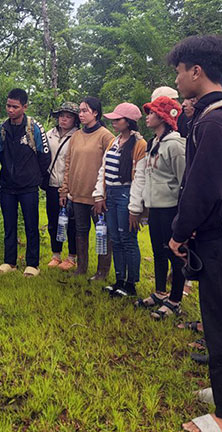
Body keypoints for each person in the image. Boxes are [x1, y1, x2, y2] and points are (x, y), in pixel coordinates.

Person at [168, 35, 222, 432]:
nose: (178, 78)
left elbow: (204, 186)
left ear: (196, 71)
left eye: (180, 71)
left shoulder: (216, 121)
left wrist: (179, 232)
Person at [129, 96, 186, 317]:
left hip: (171, 208)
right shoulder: (154, 143)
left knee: (174, 253)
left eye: (152, 112)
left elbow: (184, 181)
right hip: (155, 208)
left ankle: (175, 299)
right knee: (158, 251)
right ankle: (160, 292)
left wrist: (184, 215)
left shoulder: (175, 145)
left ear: (163, 117)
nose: (148, 116)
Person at [0, 88, 50, 277]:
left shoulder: (34, 127)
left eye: (15, 107)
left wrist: (36, 177)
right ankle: (9, 261)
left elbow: (44, 155)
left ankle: (32, 264)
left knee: (31, 224)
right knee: (9, 225)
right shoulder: (1, 129)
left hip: (29, 186)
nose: (10, 110)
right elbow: (0, 154)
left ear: (24, 107)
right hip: (8, 185)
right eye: (8, 106)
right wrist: (10, 174)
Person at [93, 103, 147, 297]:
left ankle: (131, 284)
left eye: (118, 119)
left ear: (129, 121)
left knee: (128, 239)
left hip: (127, 195)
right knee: (115, 239)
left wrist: (135, 209)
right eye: (113, 119)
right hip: (112, 194)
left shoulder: (140, 145)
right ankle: (119, 280)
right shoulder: (114, 142)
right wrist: (99, 194)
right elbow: (103, 170)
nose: (114, 122)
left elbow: (140, 180)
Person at [59, 97, 114, 279]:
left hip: (97, 197)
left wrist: (104, 194)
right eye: (80, 111)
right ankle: (81, 268)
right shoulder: (76, 136)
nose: (80, 114)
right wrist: (65, 189)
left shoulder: (106, 136)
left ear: (96, 113)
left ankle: (102, 271)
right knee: (80, 232)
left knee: (102, 234)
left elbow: (110, 167)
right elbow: (68, 164)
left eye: (85, 111)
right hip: (77, 194)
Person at [44, 102, 79, 270]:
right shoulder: (48, 134)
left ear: (75, 119)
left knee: (71, 222)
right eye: (61, 116)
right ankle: (56, 254)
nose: (64, 119)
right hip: (51, 184)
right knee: (53, 221)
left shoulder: (78, 136)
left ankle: (72, 256)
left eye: (68, 116)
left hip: (70, 186)